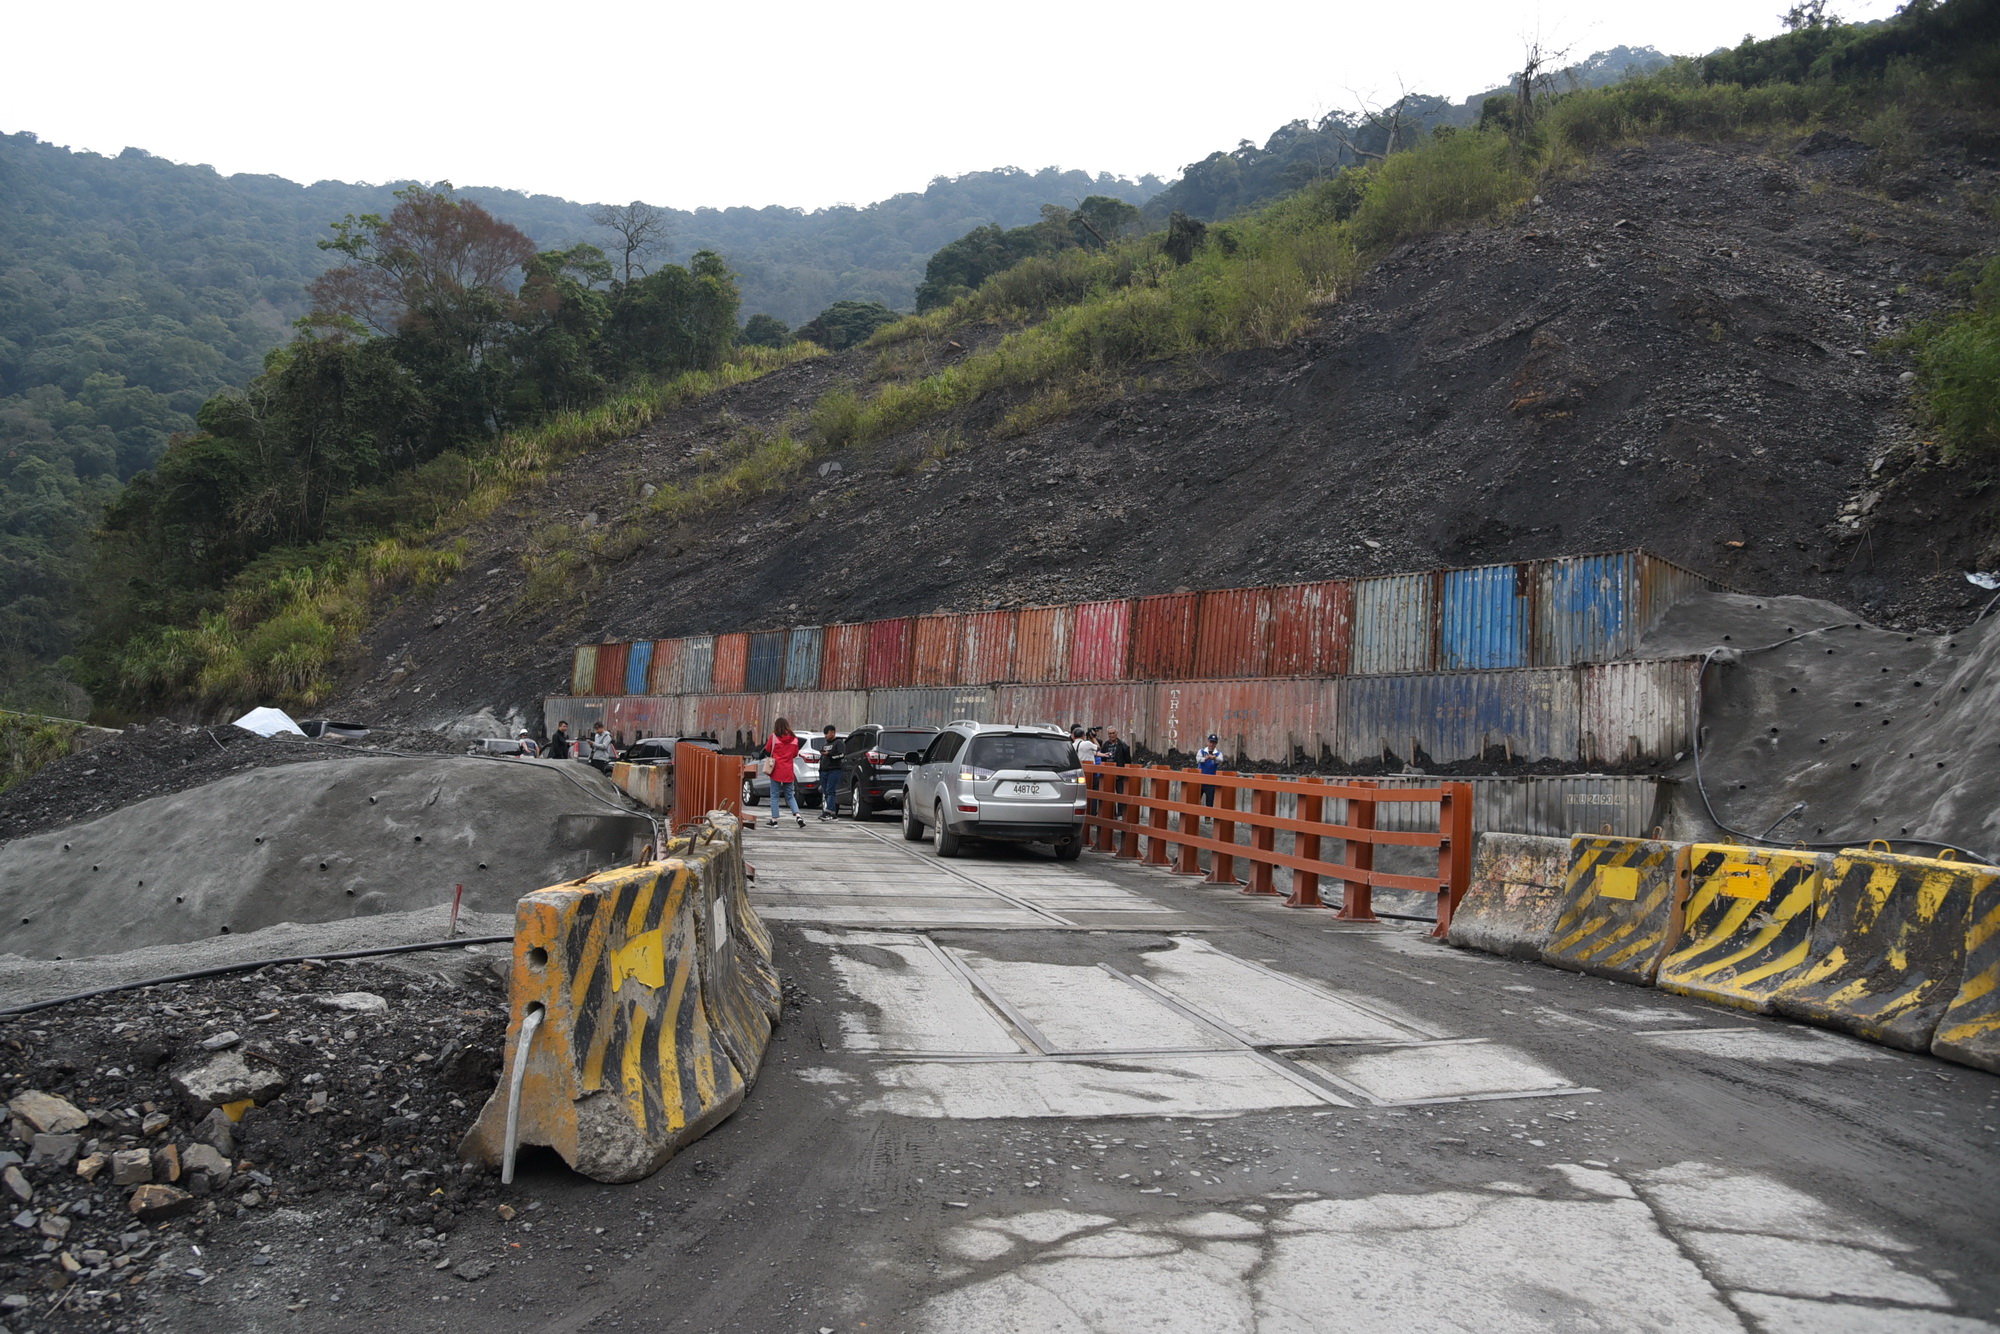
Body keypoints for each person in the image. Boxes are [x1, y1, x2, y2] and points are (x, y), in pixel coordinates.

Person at [763, 717, 805, 829]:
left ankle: (774, 820)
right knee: (790, 795)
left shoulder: (774, 737)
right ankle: (798, 816)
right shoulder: (795, 739)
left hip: (776, 769)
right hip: (788, 770)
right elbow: (795, 754)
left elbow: (767, 750)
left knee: (775, 796)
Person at [808, 725, 844, 821]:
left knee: (830, 790)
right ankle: (832, 813)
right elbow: (824, 757)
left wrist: (830, 755)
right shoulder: (825, 745)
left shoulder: (839, 742)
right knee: (825, 791)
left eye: (827, 733)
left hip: (834, 770)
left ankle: (827, 812)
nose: (825, 736)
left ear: (833, 732)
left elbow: (841, 755)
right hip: (824, 771)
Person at [1196, 733, 1224, 808]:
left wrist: (1214, 758)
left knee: (1209, 802)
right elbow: (1198, 759)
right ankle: (1193, 817)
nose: (1212, 744)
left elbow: (1221, 760)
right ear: (1208, 742)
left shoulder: (1218, 753)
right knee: (1195, 800)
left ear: (1216, 744)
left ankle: (1207, 818)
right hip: (1200, 780)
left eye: (1214, 743)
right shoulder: (1201, 751)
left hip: (1211, 781)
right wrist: (1206, 758)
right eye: (1211, 742)